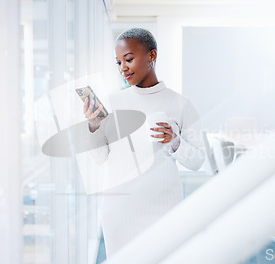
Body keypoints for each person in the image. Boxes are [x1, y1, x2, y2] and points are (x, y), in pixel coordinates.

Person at [83, 28, 205, 258]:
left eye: (128, 59)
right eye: (118, 62)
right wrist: (93, 126)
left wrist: (175, 141)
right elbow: (99, 158)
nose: (123, 68)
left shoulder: (180, 104)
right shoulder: (112, 103)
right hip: (119, 210)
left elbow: (198, 161)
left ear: (152, 56)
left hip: (163, 209)